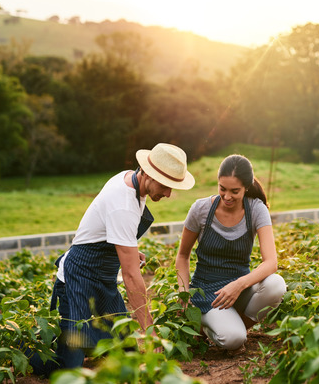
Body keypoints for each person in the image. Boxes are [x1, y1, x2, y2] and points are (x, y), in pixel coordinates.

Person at [30, 143, 195, 375]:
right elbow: (130, 275)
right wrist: (149, 329)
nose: (168, 194)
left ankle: (84, 338)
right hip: (77, 280)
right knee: (70, 366)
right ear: (147, 173)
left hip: (103, 280)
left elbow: (104, 229)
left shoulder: (131, 180)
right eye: (165, 186)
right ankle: (24, 349)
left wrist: (122, 248)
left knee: (126, 350)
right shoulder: (123, 204)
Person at [176, 154, 287, 351]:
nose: (227, 197)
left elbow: (271, 262)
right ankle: (209, 328)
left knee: (276, 285)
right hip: (208, 293)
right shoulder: (200, 209)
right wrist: (184, 294)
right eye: (222, 189)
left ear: (246, 186)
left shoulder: (256, 209)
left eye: (235, 191)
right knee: (233, 340)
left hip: (240, 288)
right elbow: (182, 256)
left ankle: (233, 326)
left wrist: (238, 285)